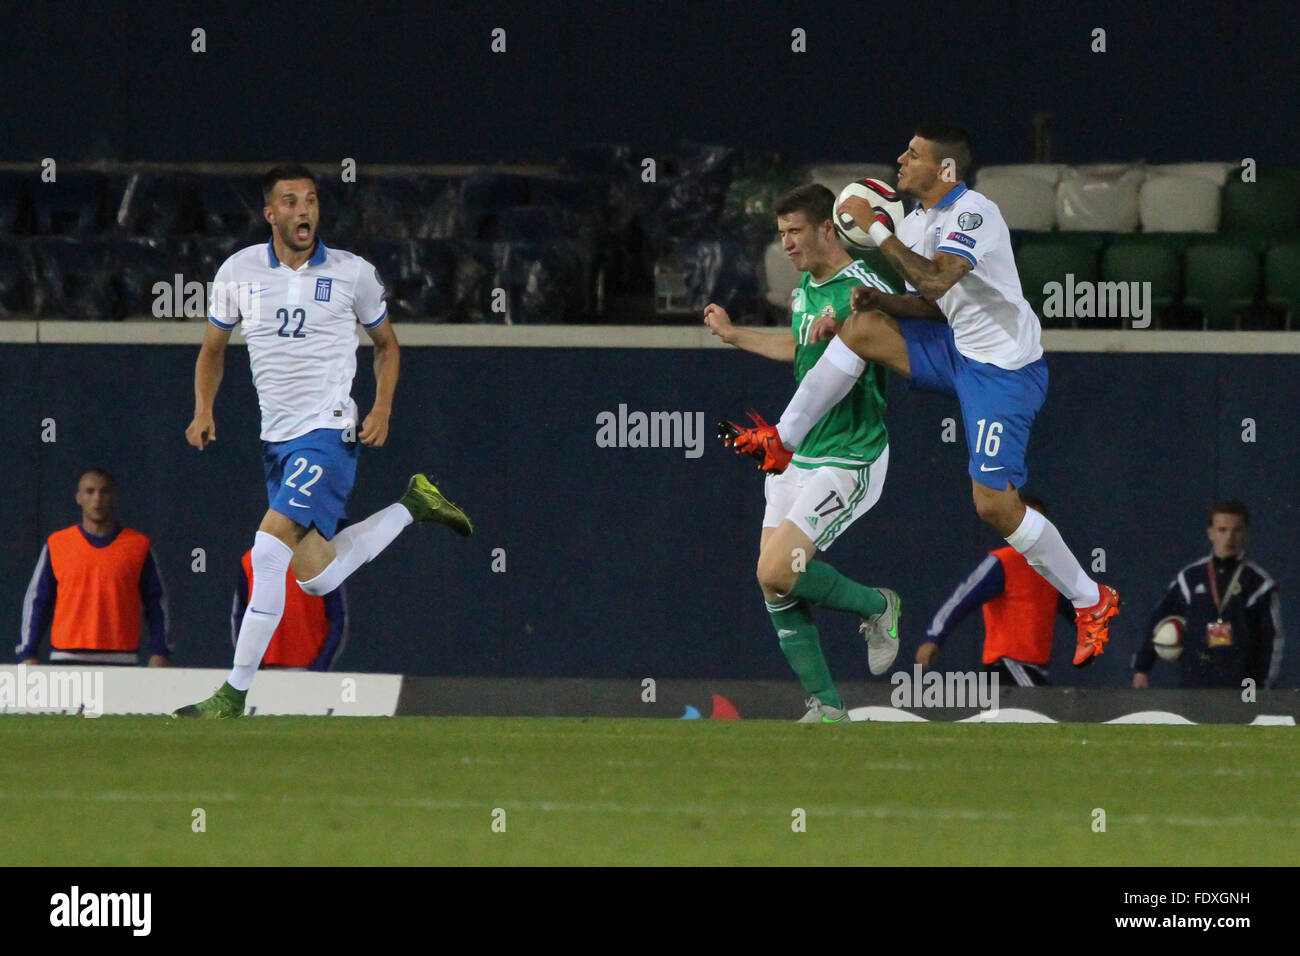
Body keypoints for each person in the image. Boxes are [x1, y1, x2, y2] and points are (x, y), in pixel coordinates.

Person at [724, 122, 1120, 668]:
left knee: (994, 506)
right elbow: (931, 307)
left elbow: (936, 282)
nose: (901, 159)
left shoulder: (974, 213)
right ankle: (782, 439)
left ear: (945, 169)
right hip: (956, 347)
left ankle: (1091, 598)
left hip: (1002, 371)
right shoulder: (918, 225)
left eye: (914, 154)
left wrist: (878, 233)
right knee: (860, 326)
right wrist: (874, 299)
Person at [173, 164, 472, 719]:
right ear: (270, 214)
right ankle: (415, 504)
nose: (304, 210)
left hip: (328, 430)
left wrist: (381, 406)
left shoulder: (352, 273)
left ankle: (232, 695)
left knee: (267, 550)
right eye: (290, 202)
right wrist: (203, 408)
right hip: (277, 441)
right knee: (318, 576)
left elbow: (387, 344)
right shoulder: (238, 271)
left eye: (310, 200)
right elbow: (212, 349)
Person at [706, 183, 901, 724]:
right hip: (799, 454)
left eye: (795, 231)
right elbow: (799, 347)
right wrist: (734, 337)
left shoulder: (864, 286)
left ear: (827, 230)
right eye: (781, 233)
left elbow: (881, 340)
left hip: (849, 454)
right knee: (772, 579)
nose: (786, 244)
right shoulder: (802, 293)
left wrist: (847, 331)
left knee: (779, 567)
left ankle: (877, 606)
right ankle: (827, 706)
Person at [18, 468, 171, 666]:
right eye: (90, 492)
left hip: (121, 659)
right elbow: (38, 601)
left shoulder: (138, 545)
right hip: (67, 659)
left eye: (104, 491)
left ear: (114, 497)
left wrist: (160, 651)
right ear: (78, 497)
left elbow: (156, 601)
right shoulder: (57, 544)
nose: (97, 498)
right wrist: (28, 652)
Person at [917, 494, 1074, 685]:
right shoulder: (1002, 563)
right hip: (1007, 665)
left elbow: (1074, 609)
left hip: (1034, 668)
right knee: (1043, 712)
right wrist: (934, 637)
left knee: (1045, 712)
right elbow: (961, 599)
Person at [1133, 501, 1284, 689]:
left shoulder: (1258, 584)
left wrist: (1263, 685)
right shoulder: (1190, 578)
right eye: (1222, 530)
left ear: (1246, 534)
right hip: (1194, 687)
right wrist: (1142, 668)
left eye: (1236, 530)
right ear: (1210, 533)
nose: (1229, 538)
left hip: (1241, 690)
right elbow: (1157, 621)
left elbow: (1272, 639)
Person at [232, 548, 347, 671]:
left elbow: (337, 619)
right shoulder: (251, 560)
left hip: (308, 671)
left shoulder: (323, 562)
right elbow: (240, 617)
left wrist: (320, 666)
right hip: (263, 671)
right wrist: (251, 665)